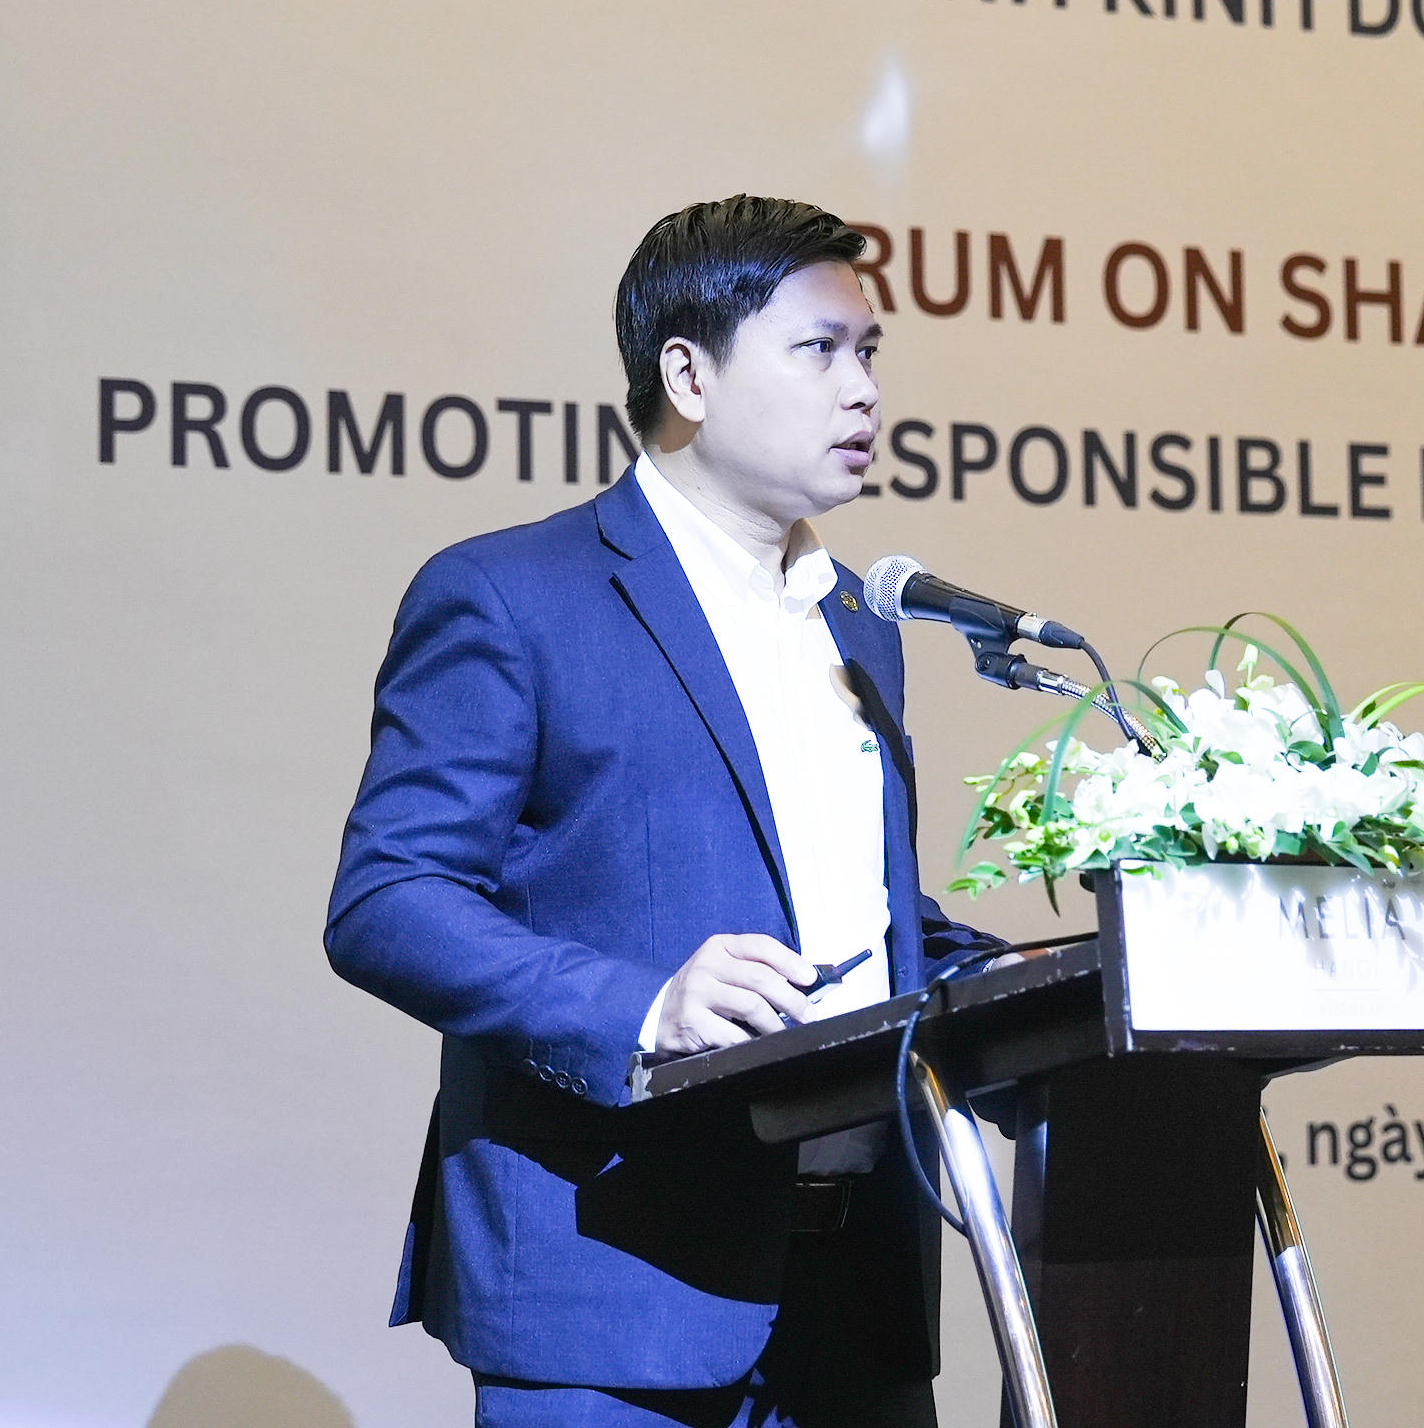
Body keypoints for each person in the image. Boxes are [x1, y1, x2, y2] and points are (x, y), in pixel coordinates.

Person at [327, 196, 1001, 1428]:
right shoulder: (512, 594)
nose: (863, 388)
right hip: (616, 1289)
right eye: (820, 349)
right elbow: (388, 899)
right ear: (688, 374)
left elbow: (861, 913)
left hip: (860, 1296)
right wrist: (641, 1009)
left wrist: (1029, 981)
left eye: (869, 351)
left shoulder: (860, 621)